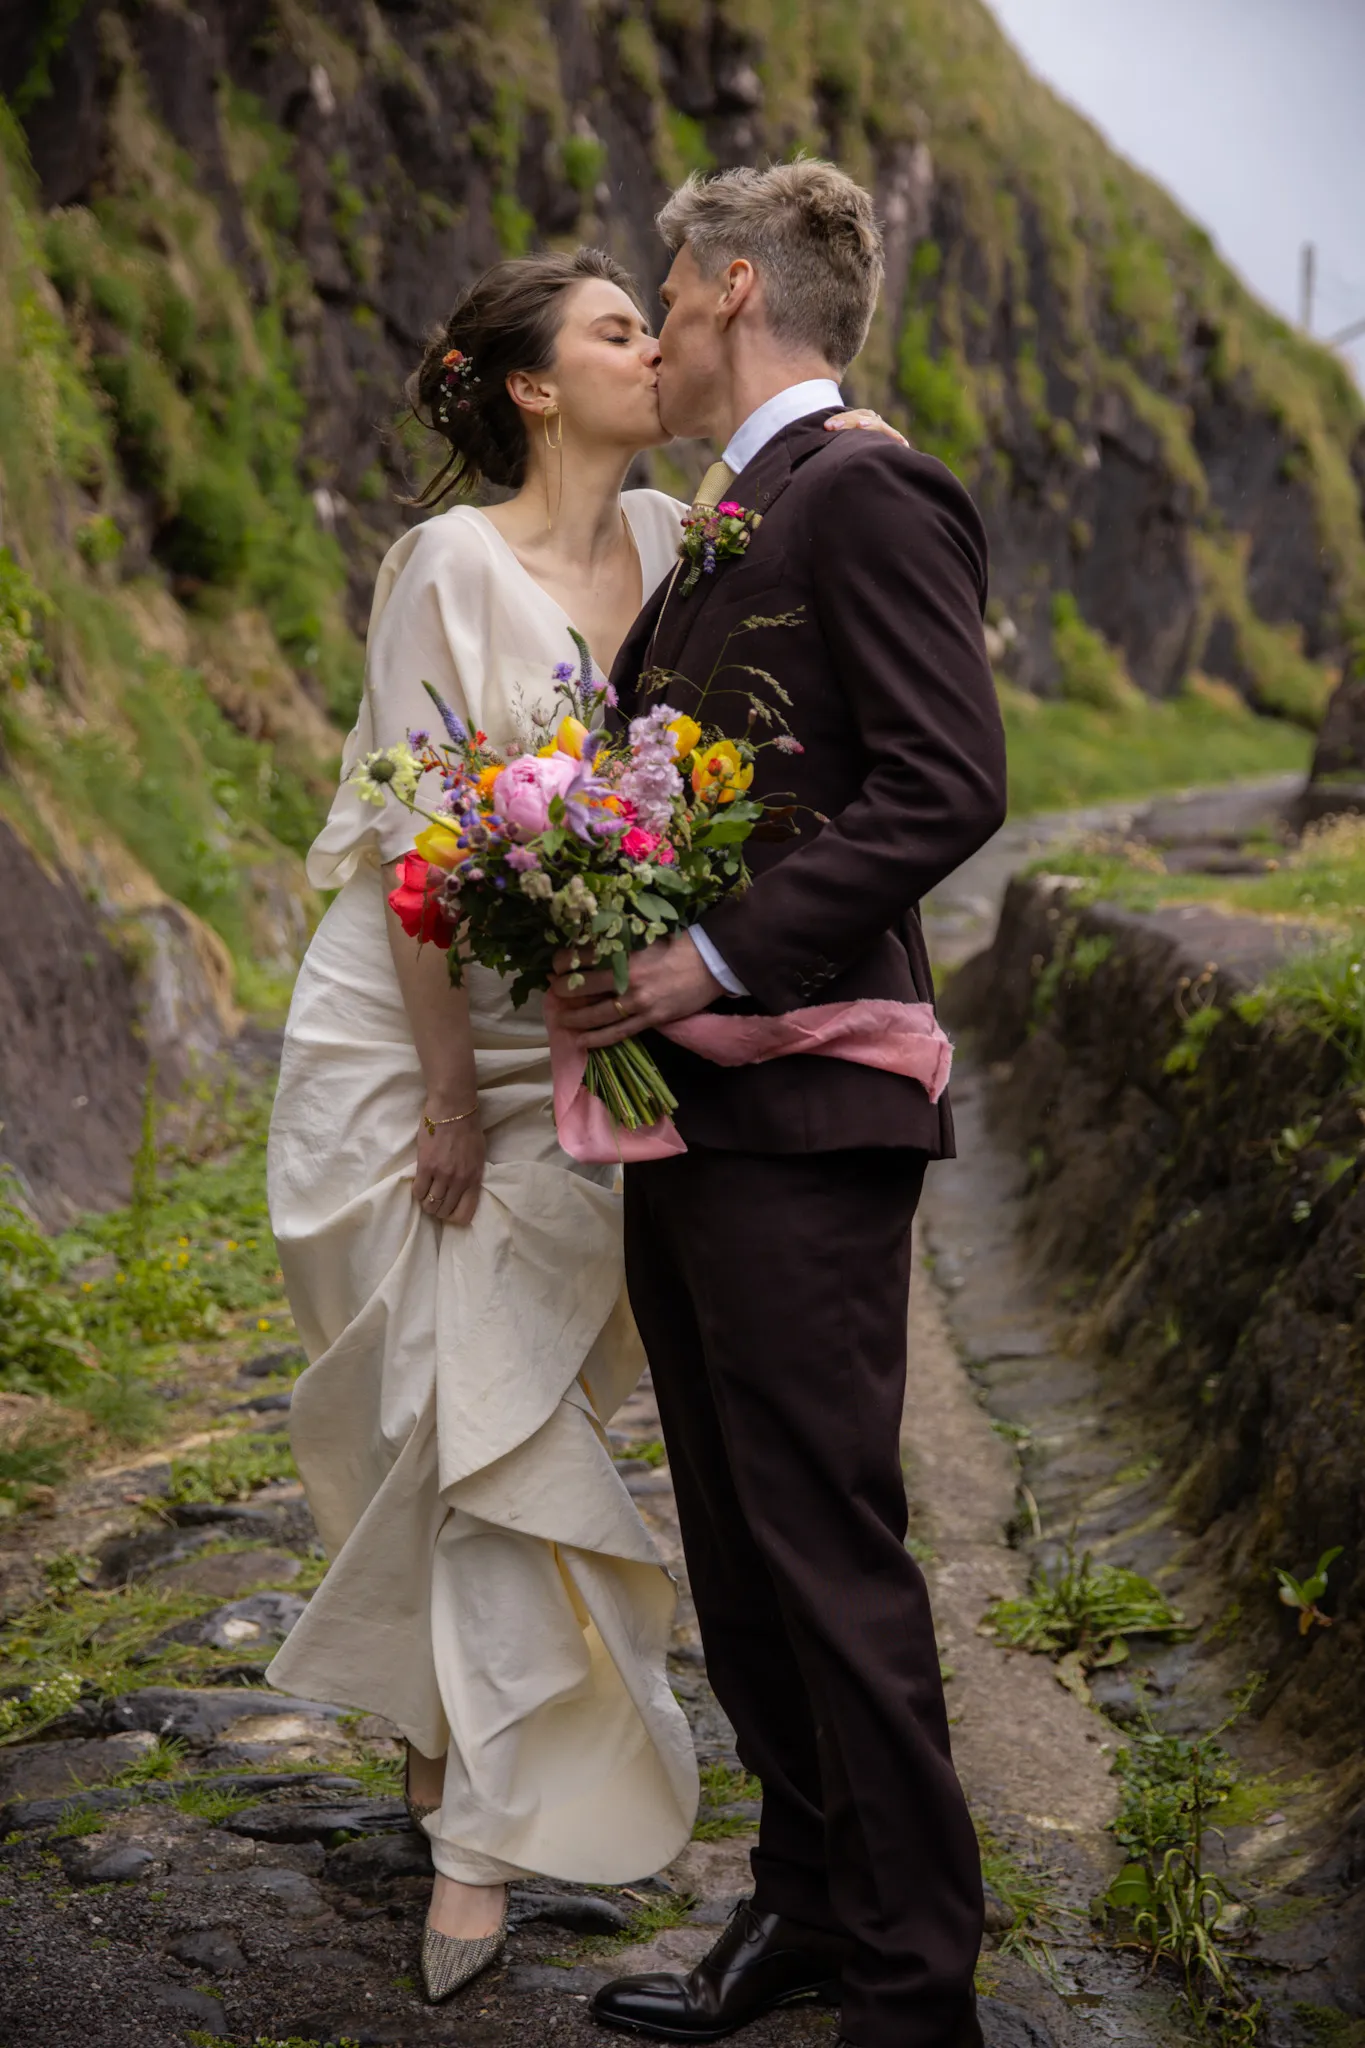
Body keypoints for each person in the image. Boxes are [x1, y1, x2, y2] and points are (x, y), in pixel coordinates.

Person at [263, 243, 901, 2005]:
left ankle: (461, 1780)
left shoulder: (693, 542)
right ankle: (474, 1820)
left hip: (603, 1028)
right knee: (441, 1421)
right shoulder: (443, 565)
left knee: (501, 1418)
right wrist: (455, 1098)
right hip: (420, 1038)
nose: (660, 345)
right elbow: (411, 841)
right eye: (623, 327)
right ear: (536, 385)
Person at [549, 163, 1009, 2048]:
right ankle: (806, 1909)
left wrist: (709, 959)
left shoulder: (868, 488)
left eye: (672, 283)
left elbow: (944, 784)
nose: (654, 323)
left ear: (742, 286)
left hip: (811, 1104)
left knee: (825, 1545)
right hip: (695, 1117)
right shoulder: (732, 521)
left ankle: (918, 1992)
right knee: (740, 1547)